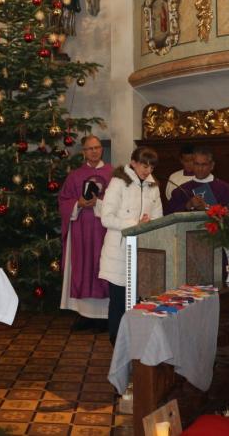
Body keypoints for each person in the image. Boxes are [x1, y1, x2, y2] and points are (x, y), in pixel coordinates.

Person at [99, 147, 164, 345]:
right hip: (118, 251)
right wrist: (135, 224)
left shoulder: (153, 186)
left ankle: (137, 342)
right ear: (133, 163)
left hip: (143, 251)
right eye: (144, 165)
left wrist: (151, 224)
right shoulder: (118, 183)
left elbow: (158, 217)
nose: (148, 170)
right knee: (119, 301)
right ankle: (117, 342)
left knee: (140, 300)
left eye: (152, 166)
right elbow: (106, 218)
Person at [59, 136, 114, 331]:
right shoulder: (75, 175)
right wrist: (78, 204)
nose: (94, 151)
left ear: (102, 150)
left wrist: (98, 203)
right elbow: (64, 201)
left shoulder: (113, 173)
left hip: (105, 231)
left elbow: (121, 202)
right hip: (81, 231)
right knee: (84, 267)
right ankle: (85, 315)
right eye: (89, 148)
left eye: (97, 147)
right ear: (84, 151)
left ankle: (106, 316)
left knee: (104, 268)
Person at [167, 146, 229, 213]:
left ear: (212, 165)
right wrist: (187, 206)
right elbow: (168, 215)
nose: (200, 169)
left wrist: (207, 208)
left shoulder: (224, 189)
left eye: (204, 164)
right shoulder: (181, 190)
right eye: (196, 164)